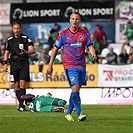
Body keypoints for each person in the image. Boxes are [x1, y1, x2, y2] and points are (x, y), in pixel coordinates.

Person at [47, 12, 97, 121]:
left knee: (76, 91)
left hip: (82, 66)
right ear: (70, 20)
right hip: (70, 66)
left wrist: (93, 53)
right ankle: (80, 114)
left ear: (79, 21)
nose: (75, 21)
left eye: (77, 19)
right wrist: (50, 64)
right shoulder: (63, 34)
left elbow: (90, 45)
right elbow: (55, 49)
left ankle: (68, 112)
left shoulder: (84, 33)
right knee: (75, 88)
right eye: (73, 19)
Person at [3, 21, 35, 111]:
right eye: (14, 28)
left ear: (20, 29)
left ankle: (21, 105)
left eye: (18, 28)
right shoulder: (10, 40)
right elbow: (6, 52)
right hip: (14, 64)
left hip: (23, 63)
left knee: (22, 83)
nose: (16, 30)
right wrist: (5, 63)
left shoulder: (25, 38)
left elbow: (33, 50)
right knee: (16, 85)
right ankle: (21, 105)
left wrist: (26, 52)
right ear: (12, 29)